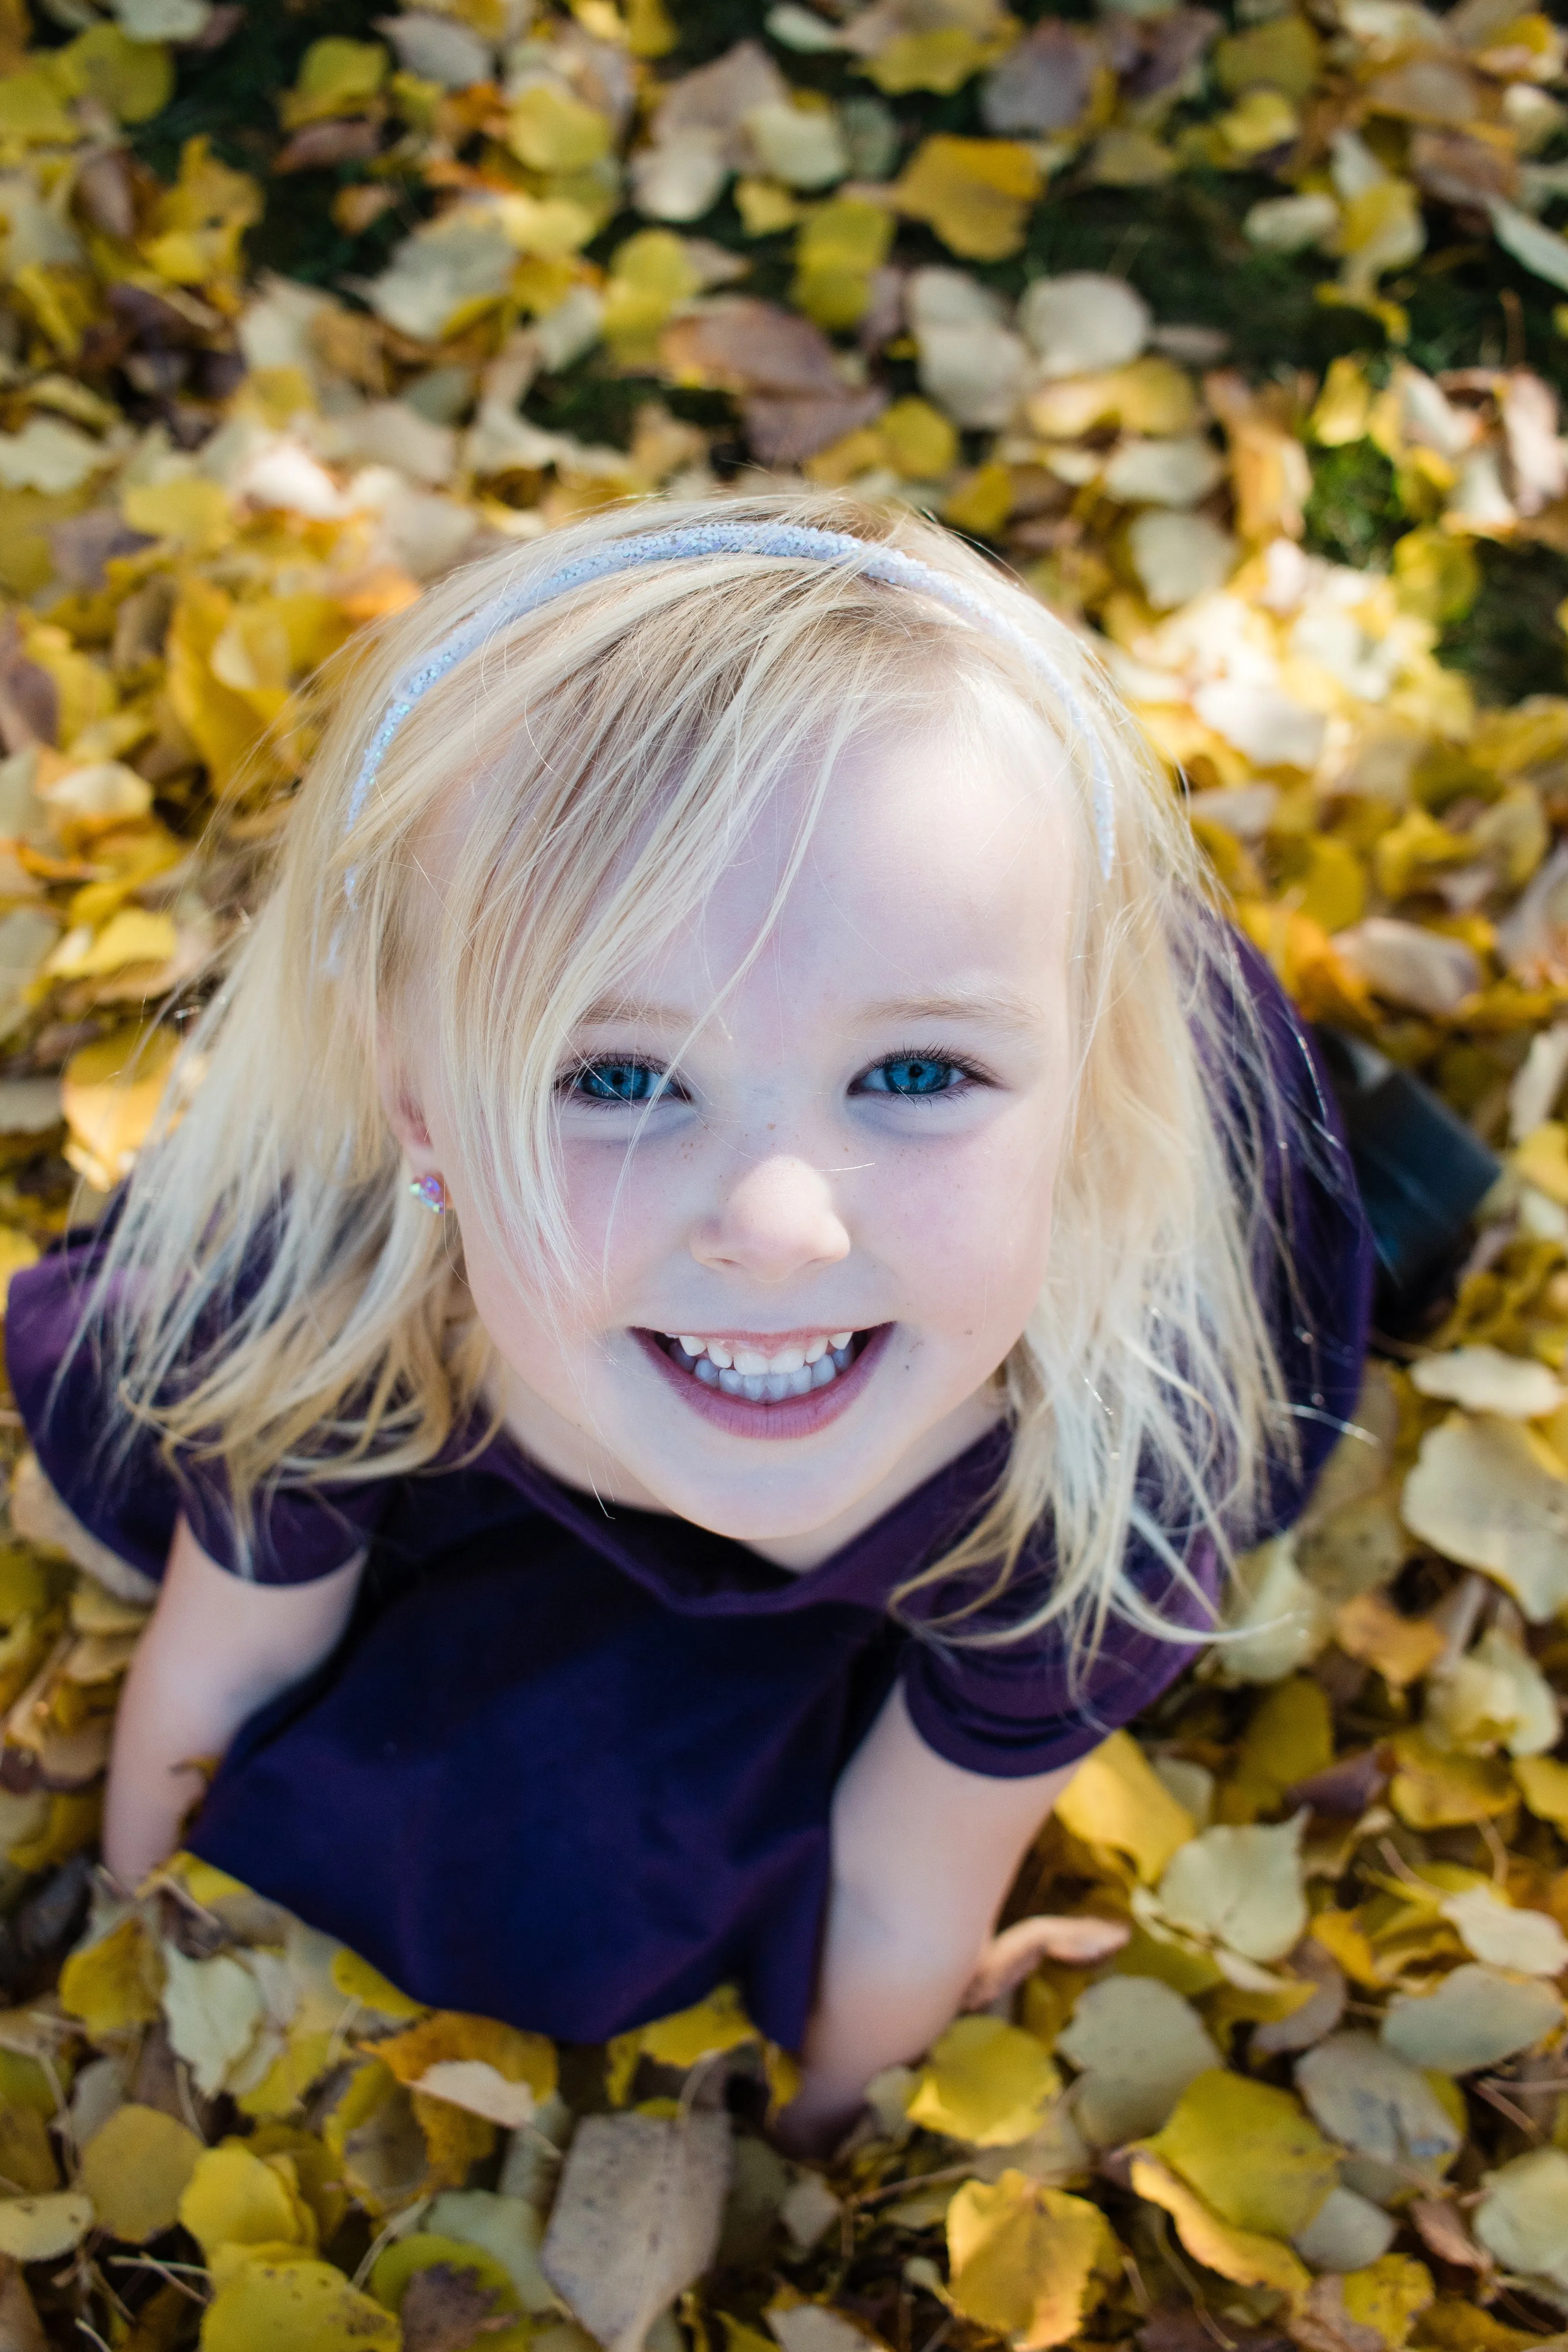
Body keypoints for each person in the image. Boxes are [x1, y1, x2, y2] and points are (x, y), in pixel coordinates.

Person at [6, 492, 1371, 2155]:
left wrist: (822, 2166)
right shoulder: (330, 1319)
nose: (782, 1229)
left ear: (1075, 1098)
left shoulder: (1099, 1495)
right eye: (620, 1078)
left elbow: (900, 1882)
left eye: (919, 1073)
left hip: (1123, 1181)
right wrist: (134, 1956)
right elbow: (229, 1659)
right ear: (422, 1113)